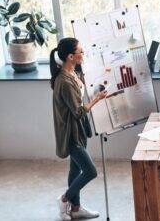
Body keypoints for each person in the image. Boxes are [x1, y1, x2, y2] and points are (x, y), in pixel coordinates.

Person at [51, 37, 107, 220]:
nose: (83, 54)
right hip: (71, 134)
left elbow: (80, 94)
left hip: (79, 130)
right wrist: (97, 99)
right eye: (80, 52)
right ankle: (65, 198)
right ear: (70, 57)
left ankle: (76, 209)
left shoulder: (73, 73)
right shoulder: (65, 81)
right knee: (91, 171)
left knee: (74, 171)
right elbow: (77, 112)